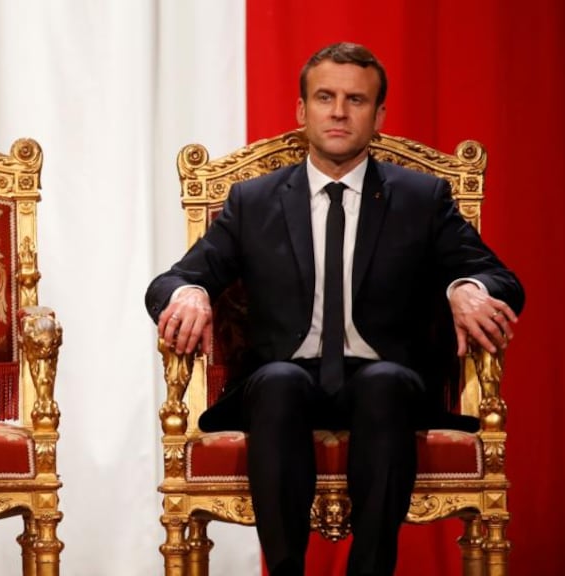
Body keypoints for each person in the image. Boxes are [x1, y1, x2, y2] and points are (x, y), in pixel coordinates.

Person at [144, 42, 524, 576]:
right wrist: (190, 293)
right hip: (283, 385)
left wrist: (466, 286)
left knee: (385, 382)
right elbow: (175, 278)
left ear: (379, 115)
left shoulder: (421, 198)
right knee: (278, 382)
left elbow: (501, 280)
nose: (339, 111)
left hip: (387, 387)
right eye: (325, 97)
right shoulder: (252, 202)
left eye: (356, 100)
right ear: (303, 111)